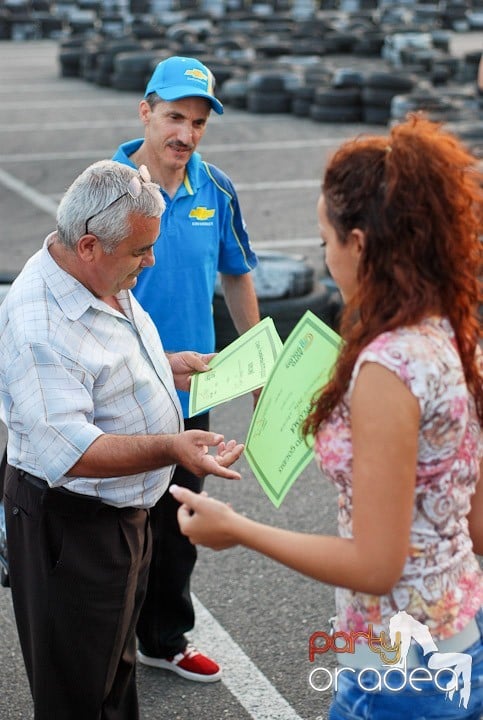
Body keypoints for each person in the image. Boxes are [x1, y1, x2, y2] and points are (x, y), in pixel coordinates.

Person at [170, 115, 483, 719]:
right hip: (461, 642)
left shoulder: (387, 370)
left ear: (359, 244)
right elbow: (474, 525)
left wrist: (238, 529)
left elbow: (375, 564)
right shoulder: (454, 334)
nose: (324, 255)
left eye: (325, 241)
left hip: (399, 677)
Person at [0, 159, 244, 720]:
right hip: (74, 529)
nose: (150, 261)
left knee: (113, 667)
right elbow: (74, 452)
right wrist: (172, 446)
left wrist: (166, 366)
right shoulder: (42, 325)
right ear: (88, 245)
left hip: (119, 517)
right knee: (77, 693)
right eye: (140, 252)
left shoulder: (97, 275)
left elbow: (104, 363)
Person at [111, 55, 260, 682]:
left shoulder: (216, 188)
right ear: (146, 111)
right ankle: (104, 641)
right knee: (116, 524)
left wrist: (260, 370)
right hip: (119, 384)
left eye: (198, 122)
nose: (186, 134)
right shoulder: (106, 187)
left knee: (177, 519)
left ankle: (163, 639)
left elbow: (237, 273)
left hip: (194, 386)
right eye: (175, 116)